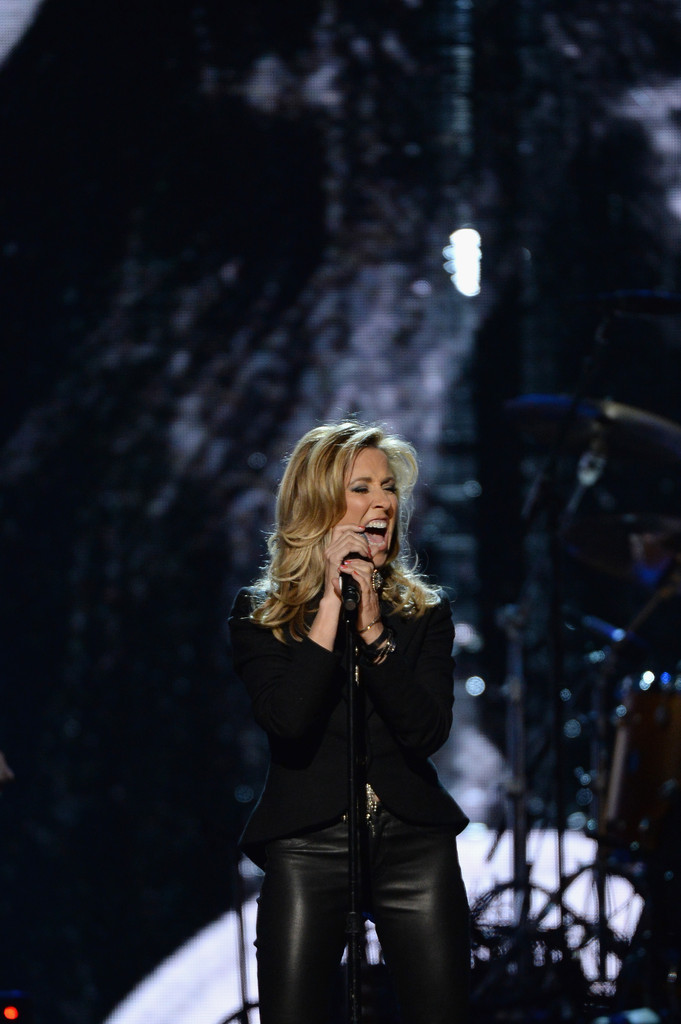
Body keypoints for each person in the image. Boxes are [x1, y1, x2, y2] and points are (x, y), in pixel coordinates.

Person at [228, 421, 470, 1024]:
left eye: (388, 488)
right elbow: (288, 721)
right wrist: (334, 605)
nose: (382, 502)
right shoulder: (262, 617)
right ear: (317, 505)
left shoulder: (424, 614)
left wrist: (372, 627)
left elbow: (425, 731)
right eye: (361, 488)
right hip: (309, 845)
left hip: (414, 843)